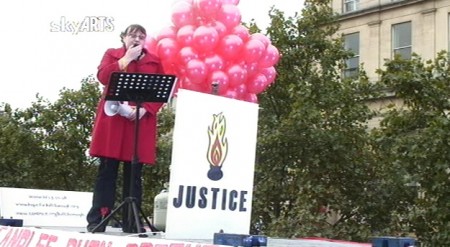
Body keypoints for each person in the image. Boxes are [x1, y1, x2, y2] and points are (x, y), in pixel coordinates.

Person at [86, 24, 165, 233]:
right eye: (132, 35)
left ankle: (132, 221)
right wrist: (126, 59)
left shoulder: (154, 61)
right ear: (123, 38)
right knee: (107, 170)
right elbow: (103, 77)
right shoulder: (113, 55)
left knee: (134, 173)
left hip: (138, 121)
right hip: (114, 121)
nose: (137, 39)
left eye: (141, 36)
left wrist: (146, 109)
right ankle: (99, 218)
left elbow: (161, 91)